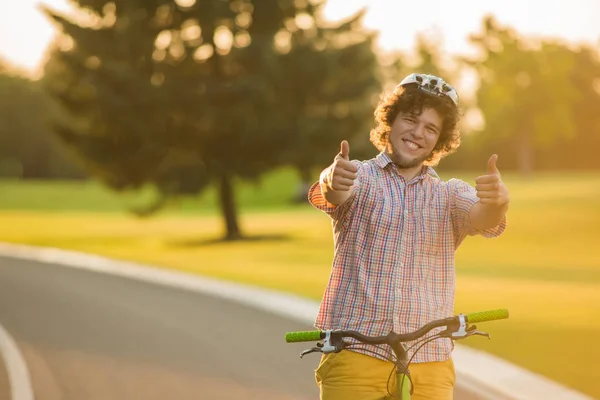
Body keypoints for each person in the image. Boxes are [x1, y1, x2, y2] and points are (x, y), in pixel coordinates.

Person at [308, 73, 510, 400]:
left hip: (429, 363)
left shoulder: (449, 195)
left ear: (440, 141)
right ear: (391, 120)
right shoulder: (360, 177)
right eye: (411, 120)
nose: (418, 133)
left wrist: (497, 203)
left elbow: (484, 217)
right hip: (356, 355)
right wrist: (333, 179)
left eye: (430, 128)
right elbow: (334, 191)